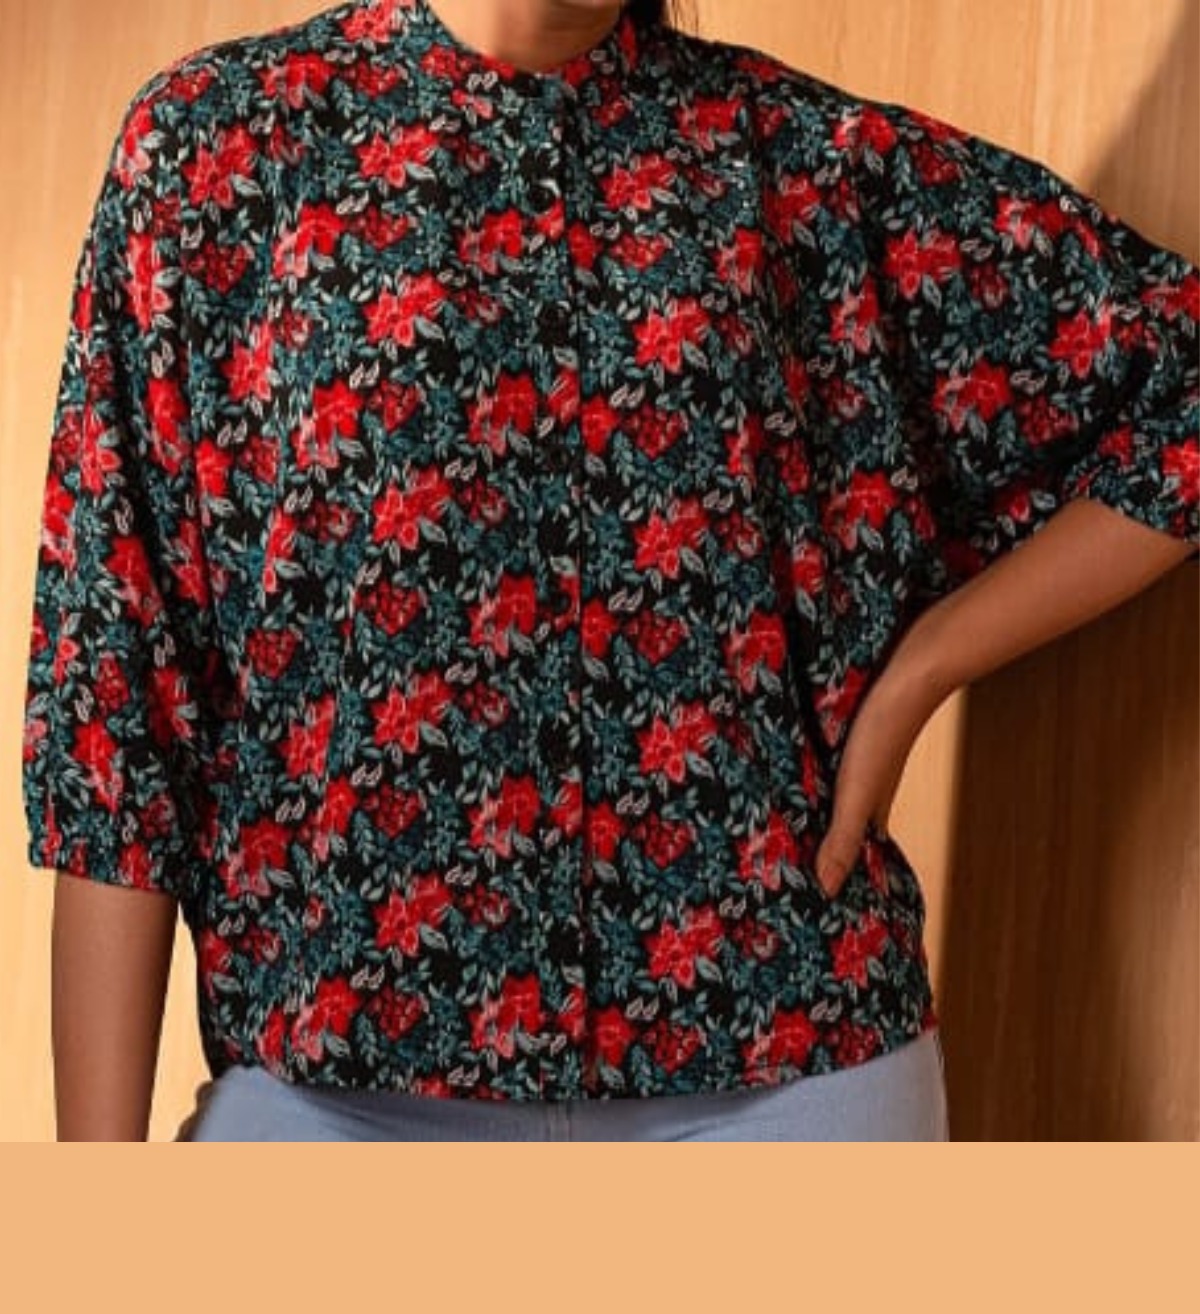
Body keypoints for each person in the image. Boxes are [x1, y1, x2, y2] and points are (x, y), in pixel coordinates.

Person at [21, 0, 1197, 1142]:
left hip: (788, 1069)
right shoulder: (217, 151)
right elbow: (118, 710)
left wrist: (925, 667)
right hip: (335, 1083)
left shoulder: (806, 166)